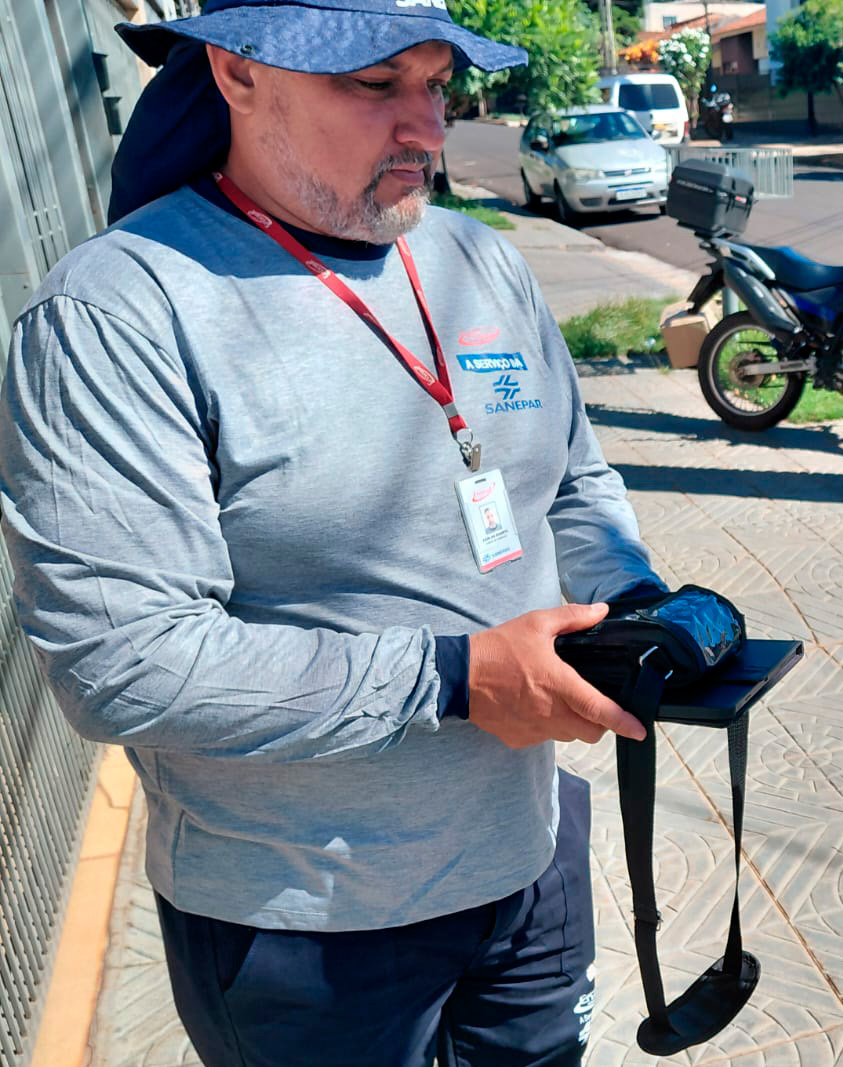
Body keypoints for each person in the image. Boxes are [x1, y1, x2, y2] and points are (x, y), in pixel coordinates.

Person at [0, 2, 667, 1064]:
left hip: (531, 854)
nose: (427, 127)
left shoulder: (479, 259)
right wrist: (454, 678)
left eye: (437, 83)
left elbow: (572, 483)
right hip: (305, 926)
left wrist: (639, 605)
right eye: (375, 83)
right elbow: (122, 663)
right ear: (237, 73)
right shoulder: (118, 313)